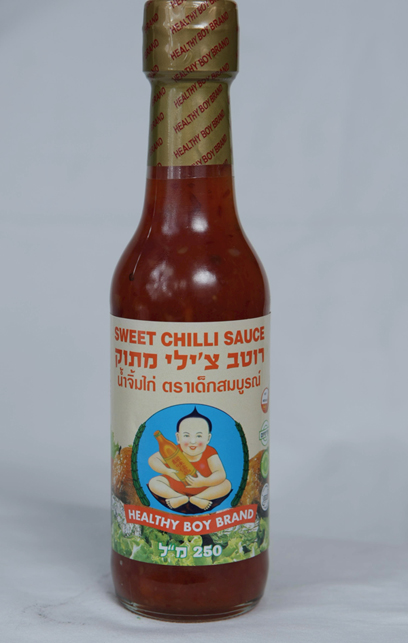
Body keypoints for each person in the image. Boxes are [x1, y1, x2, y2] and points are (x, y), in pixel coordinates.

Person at [149, 408, 231, 511]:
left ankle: (199, 498)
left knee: (226, 484)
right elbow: (153, 459)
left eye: (199, 436)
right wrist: (167, 471)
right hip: (175, 486)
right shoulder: (173, 450)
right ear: (178, 438)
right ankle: (176, 497)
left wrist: (204, 481)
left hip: (204, 488)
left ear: (208, 438)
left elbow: (220, 473)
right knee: (154, 482)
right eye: (186, 435)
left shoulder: (210, 452)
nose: (192, 441)